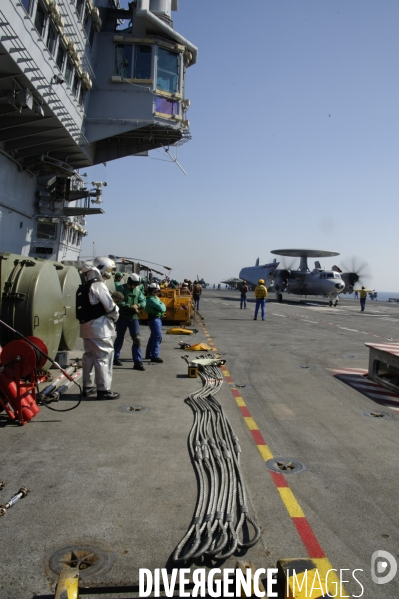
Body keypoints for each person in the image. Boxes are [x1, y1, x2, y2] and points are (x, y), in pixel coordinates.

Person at [78, 257, 120, 400]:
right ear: (101, 269)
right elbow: (110, 306)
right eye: (108, 270)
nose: (109, 274)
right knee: (103, 357)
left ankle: (87, 387)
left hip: (86, 327)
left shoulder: (86, 284)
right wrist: (116, 315)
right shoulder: (99, 285)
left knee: (88, 356)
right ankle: (104, 390)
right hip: (99, 328)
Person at [113, 273, 146, 371]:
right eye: (134, 284)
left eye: (137, 284)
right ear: (129, 282)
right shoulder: (121, 289)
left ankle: (137, 362)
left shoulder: (138, 291)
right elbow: (117, 301)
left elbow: (143, 301)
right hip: (122, 317)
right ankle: (115, 357)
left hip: (133, 318)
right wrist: (129, 306)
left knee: (137, 339)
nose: (135, 286)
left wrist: (138, 306)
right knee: (119, 338)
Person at [145, 283, 166, 362]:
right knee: (157, 337)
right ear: (150, 291)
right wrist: (162, 305)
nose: (155, 292)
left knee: (153, 337)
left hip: (157, 318)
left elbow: (162, 307)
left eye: (156, 291)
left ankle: (149, 354)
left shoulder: (155, 298)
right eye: (154, 291)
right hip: (154, 319)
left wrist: (162, 306)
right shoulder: (150, 299)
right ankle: (155, 356)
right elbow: (162, 307)